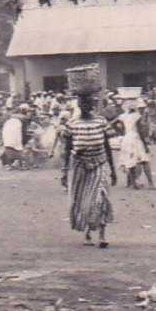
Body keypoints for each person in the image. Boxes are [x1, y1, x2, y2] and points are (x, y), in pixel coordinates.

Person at [61, 93, 116, 247]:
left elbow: (107, 146)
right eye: (82, 102)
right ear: (78, 105)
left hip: (100, 162)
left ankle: (102, 235)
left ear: (93, 105)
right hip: (80, 165)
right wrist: (64, 170)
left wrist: (112, 168)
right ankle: (87, 233)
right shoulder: (72, 124)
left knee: (101, 197)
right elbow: (67, 148)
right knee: (83, 200)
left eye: (88, 102)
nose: (85, 105)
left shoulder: (101, 121)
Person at [114, 104, 155, 189]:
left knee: (130, 159)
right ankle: (150, 183)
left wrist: (121, 131)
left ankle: (132, 182)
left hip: (127, 137)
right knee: (144, 159)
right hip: (135, 137)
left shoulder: (124, 116)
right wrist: (145, 144)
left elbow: (113, 123)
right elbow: (140, 131)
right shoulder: (137, 116)